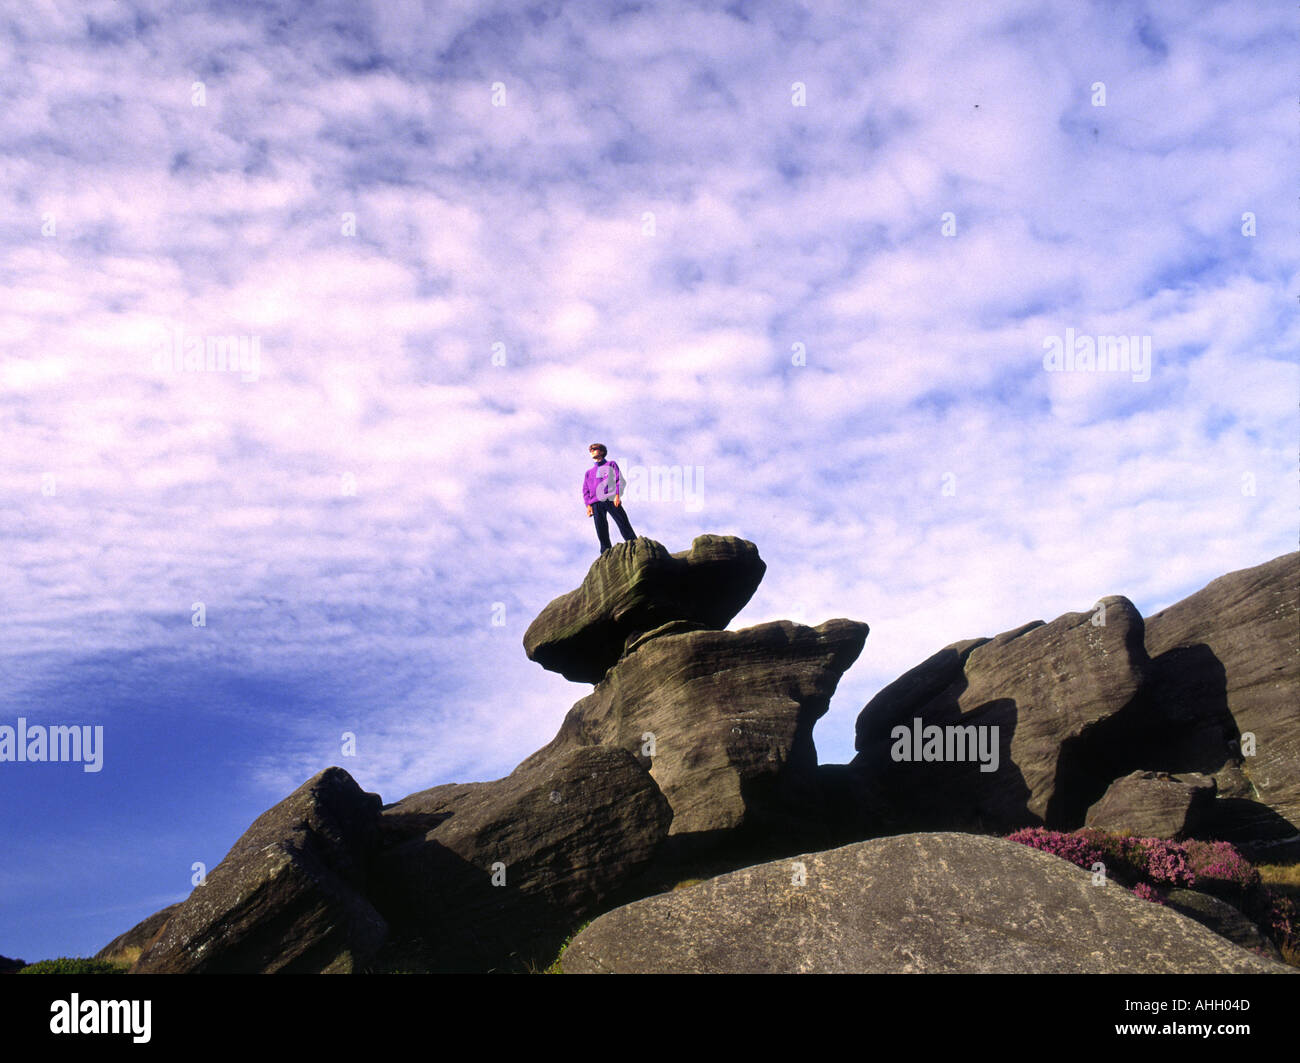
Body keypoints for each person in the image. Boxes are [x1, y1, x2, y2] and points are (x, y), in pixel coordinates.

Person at [583, 443, 637, 554]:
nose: (592, 451)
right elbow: (585, 490)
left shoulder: (611, 464)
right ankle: (605, 552)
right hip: (595, 503)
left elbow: (619, 480)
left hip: (611, 498)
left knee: (622, 521)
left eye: (594, 449)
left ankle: (633, 543)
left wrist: (617, 495)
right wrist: (588, 506)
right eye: (591, 450)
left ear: (602, 451)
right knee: (600, 528)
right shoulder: (588, 473)